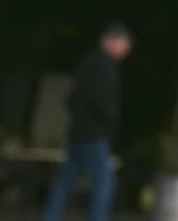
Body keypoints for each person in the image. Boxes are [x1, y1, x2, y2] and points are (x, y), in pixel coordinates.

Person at [41, 25, 129, 221]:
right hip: (96, 134)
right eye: (123, 45)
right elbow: (101, 101)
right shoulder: (106, 68)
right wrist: (110, 122)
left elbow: (71, 98)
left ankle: (50, 216)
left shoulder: (86, 64)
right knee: (103, 182)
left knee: (65, 181)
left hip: (78, 132)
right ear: (110, 42)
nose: (125, 51)